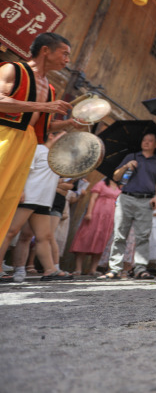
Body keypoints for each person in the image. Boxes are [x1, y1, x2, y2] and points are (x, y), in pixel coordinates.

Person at [0, 33, 74, 241]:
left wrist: (69, 123)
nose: (67, 60)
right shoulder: (13, 69)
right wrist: (43, 106)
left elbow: (41, 126)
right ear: (45, 50)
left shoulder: (49, 88)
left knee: (6, 202)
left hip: (26, 145)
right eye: (64, 54)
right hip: (4, 136)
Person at [0, 130, 70, 282]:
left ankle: (50, 270)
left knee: (44, 236)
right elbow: (24, 171)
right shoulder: (38, 149)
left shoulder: (58, 157)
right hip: (29, 197)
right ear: (51, 135)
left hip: (44, 201)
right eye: (63, 137)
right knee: (10, 231)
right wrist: (20, 191)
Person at [99, 132, 156, 280]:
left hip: (146, 200)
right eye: (144, 140)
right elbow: (116, 176)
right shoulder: (131, 157)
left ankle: (140, 269)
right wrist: (126, 166)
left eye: (150, 140)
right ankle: (115, 269)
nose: (146, 142)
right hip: (126, 198)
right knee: (119, 234)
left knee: (143, 236)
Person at [70, 178, 121, 276]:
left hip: (109, 217)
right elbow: (93, 198)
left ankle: (93, 269)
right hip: (96, 213)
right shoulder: (101, 183)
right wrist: (89, 213)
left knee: (101, 241)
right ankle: (78, 268)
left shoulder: (119, 187)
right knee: (85, 238)